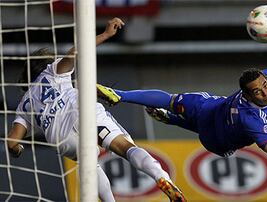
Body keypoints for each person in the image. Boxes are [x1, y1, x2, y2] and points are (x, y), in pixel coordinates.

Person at [7, 18, 186, 202]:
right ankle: (161, 177)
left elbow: (11, 142)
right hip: (80, 110)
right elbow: (74, 53)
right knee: (125, 147)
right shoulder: (51, 71)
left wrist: (18, 150)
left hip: (60, 137)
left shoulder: (23, 105)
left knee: (90, 165)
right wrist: (106, 34)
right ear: (44, 64)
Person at [97, 66, 267, 174]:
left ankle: (170, 119)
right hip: (211, 111)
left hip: (216, 137)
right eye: (257, 91)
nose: (265, 92)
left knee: (192, 118)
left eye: (265, 86)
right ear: (246, 94)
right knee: (172, 100)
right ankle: (119, 95)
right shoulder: (252, 118)